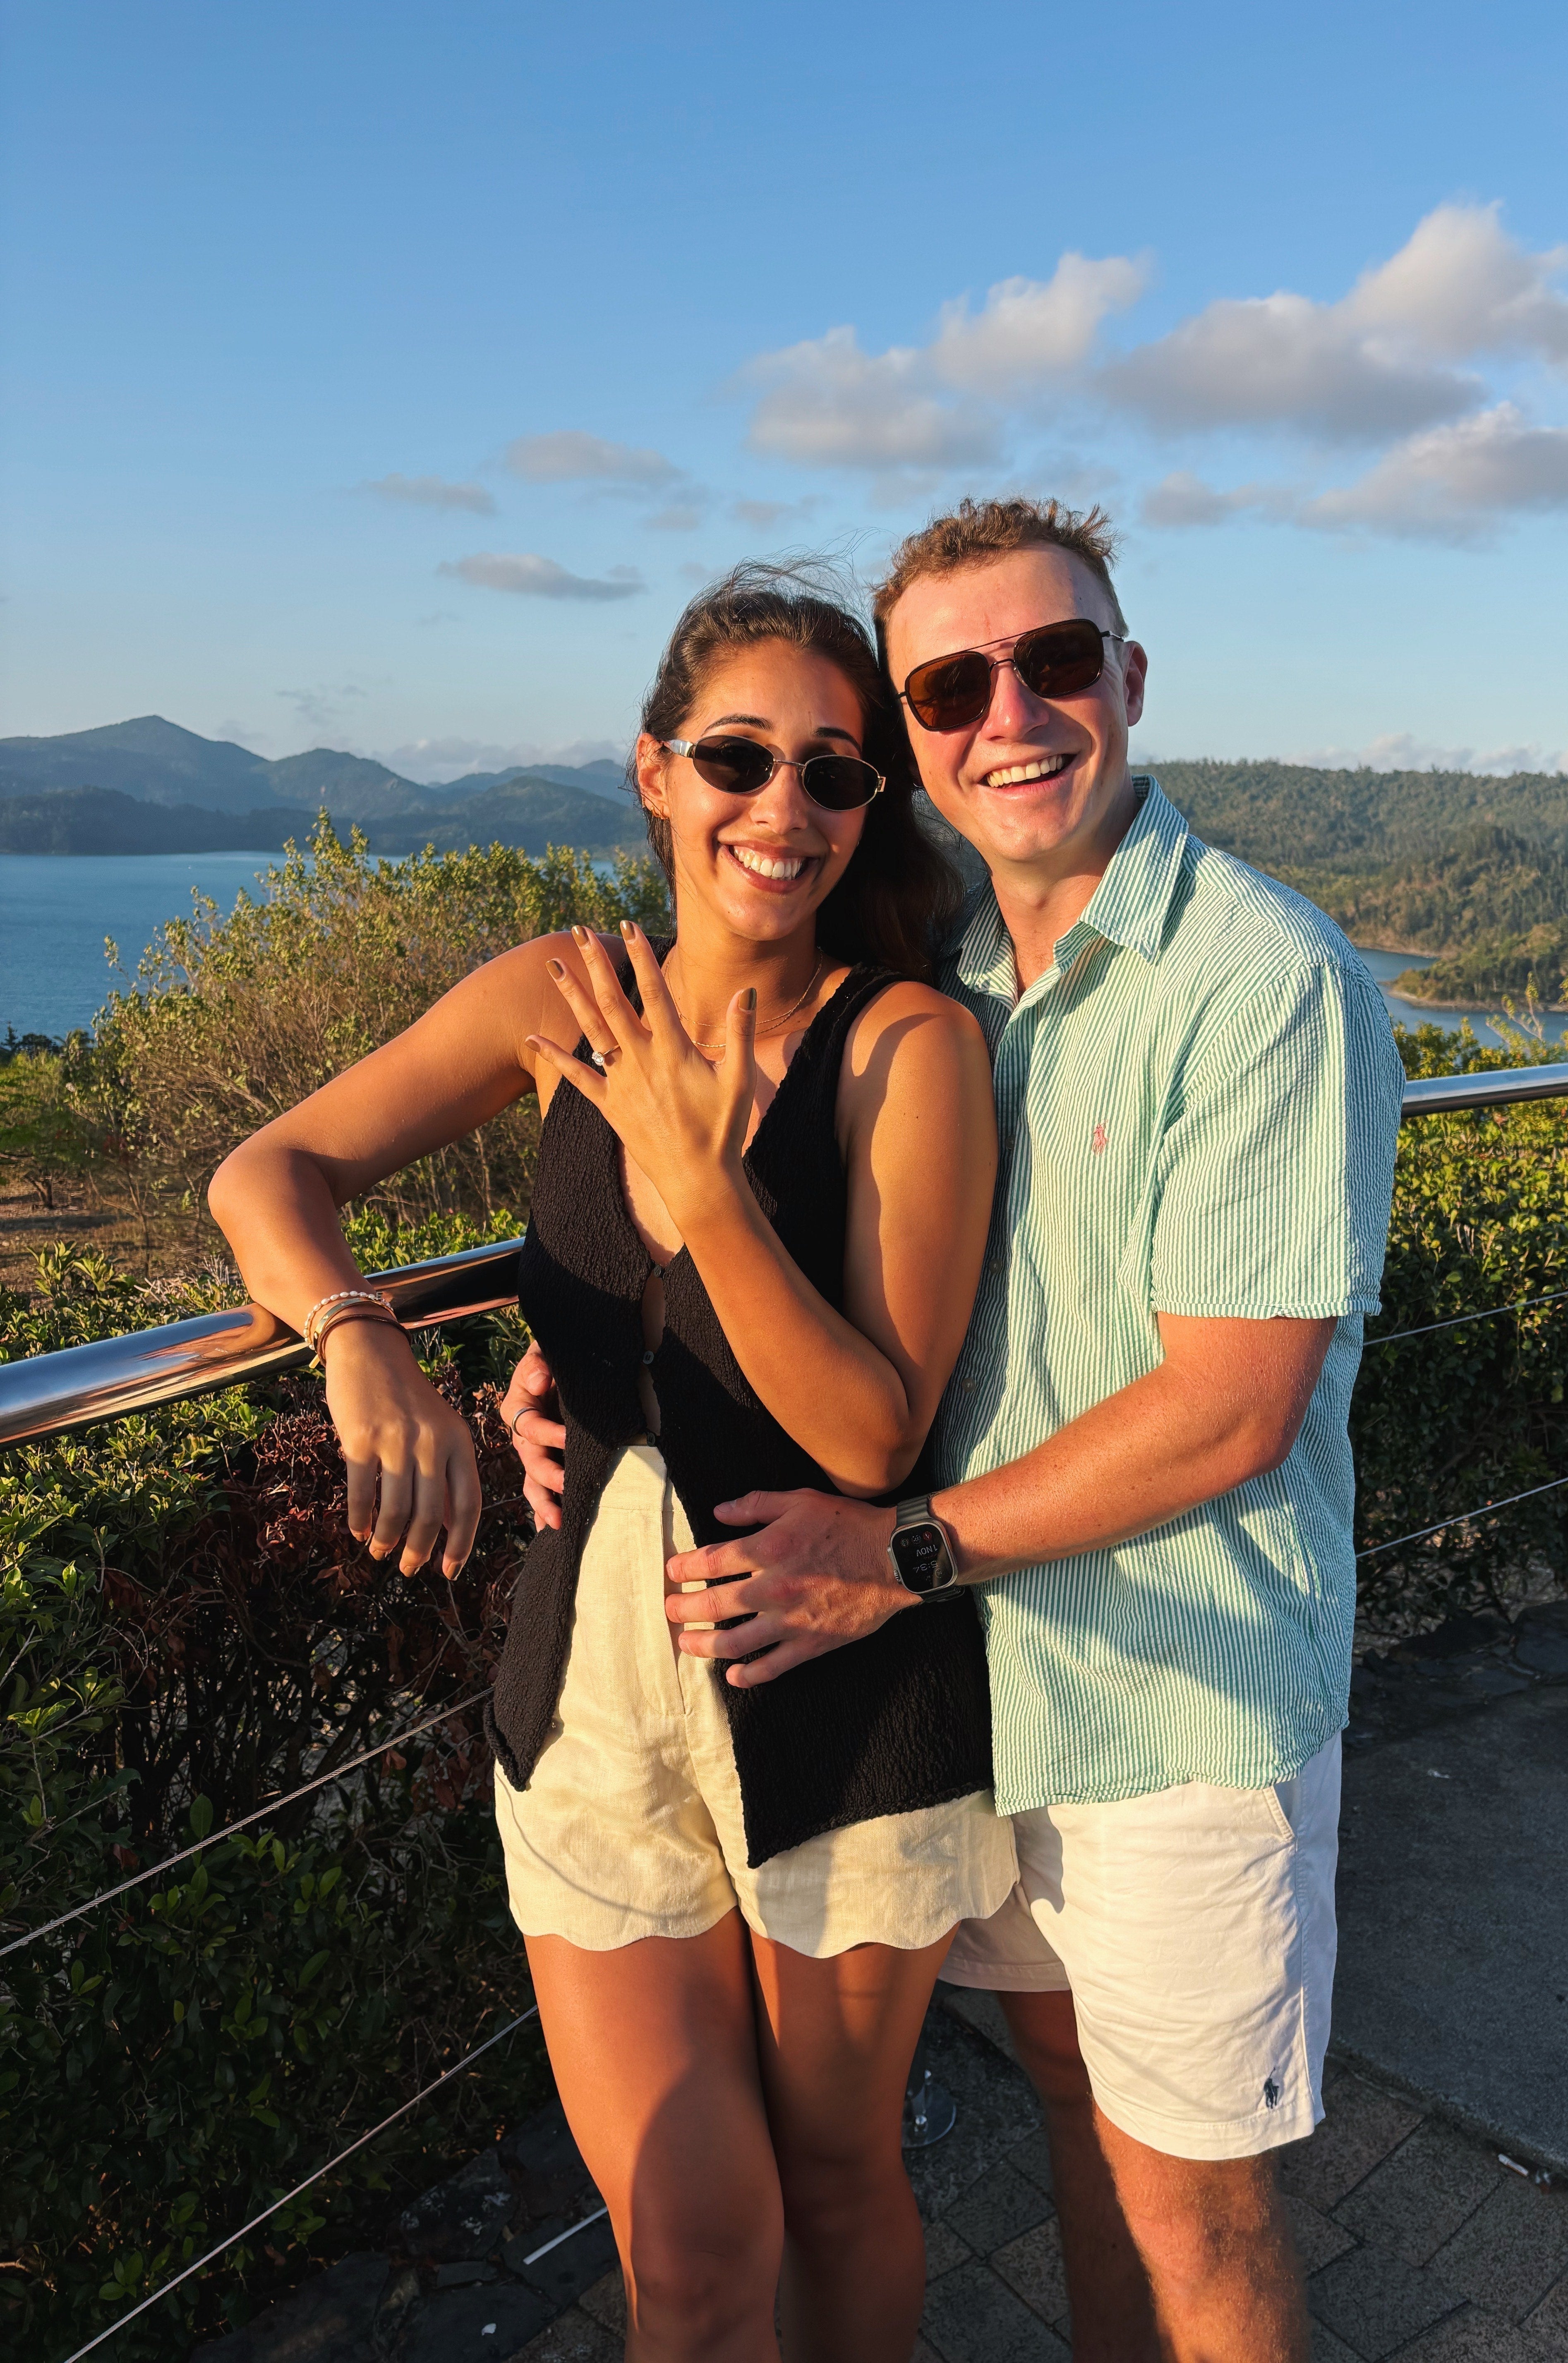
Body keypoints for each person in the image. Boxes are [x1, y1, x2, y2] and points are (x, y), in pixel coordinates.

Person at [505, 499, 1404, 2362]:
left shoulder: (1259, 978)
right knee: (1088, 2130)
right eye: (954, 683)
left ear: (1129, 679)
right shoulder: (969, 979)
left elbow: (1236, 1406)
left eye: (1057, 660)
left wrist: (899, 1554)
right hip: (998, 1687)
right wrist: (587, 1373)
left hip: (1167, 1685)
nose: (1015, 710)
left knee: (1194, 2205)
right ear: (919, 740)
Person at [207, 568, 1019, 2363]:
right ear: (655, 772)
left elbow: (875, 1430)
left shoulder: (908, 1047)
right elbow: (269, 1175)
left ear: (872, 805)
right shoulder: (559, 995)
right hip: (584, 1703)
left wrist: (699, 1182)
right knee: (694, 2247)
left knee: (832, 2184)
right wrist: (370, 1343)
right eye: (740, 758)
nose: (784, 810)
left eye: (836, 773)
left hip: (840, 1690)